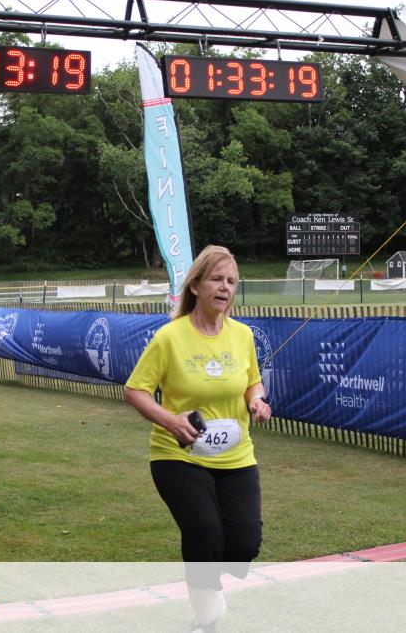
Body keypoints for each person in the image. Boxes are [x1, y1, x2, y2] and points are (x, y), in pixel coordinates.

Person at [123, 245, 271, 633]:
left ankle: (207, 585)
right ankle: (206, 620)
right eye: (216, 279)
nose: (225, 287)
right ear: (196, 285)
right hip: (178, 456)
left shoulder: (242, 335)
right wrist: (170, 420)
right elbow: (136, 390)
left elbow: (252, 382)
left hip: (236, 457)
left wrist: (256, 401)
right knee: (204, 531)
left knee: (244, 545)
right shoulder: (170, 337)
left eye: (231, 281)